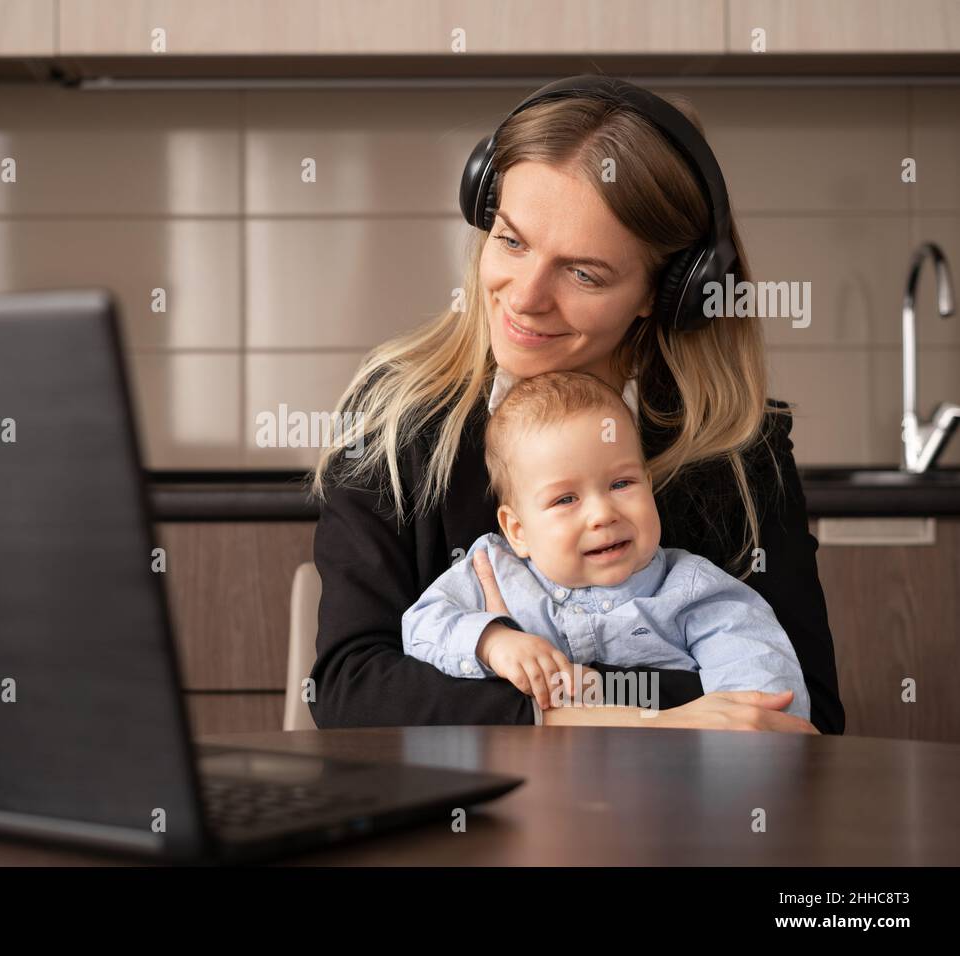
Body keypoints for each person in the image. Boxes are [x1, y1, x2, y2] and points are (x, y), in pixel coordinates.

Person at [304, 75, 844, 733]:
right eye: (511, 240)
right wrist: (613, 717)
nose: (525, 296)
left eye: (583, 273)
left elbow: (800, 714)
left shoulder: (740, 449)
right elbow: (351, 692)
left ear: (667, 290)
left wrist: (503, 683)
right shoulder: (395, 416)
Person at [400, 370, 811, 728]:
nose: (601, 514)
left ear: (648, 485)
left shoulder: (691, 591)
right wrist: (492, 641)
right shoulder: (494, 572)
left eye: (621, 484)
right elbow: (421, 626)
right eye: (565, 500)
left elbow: (761, 688)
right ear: (518, 530)